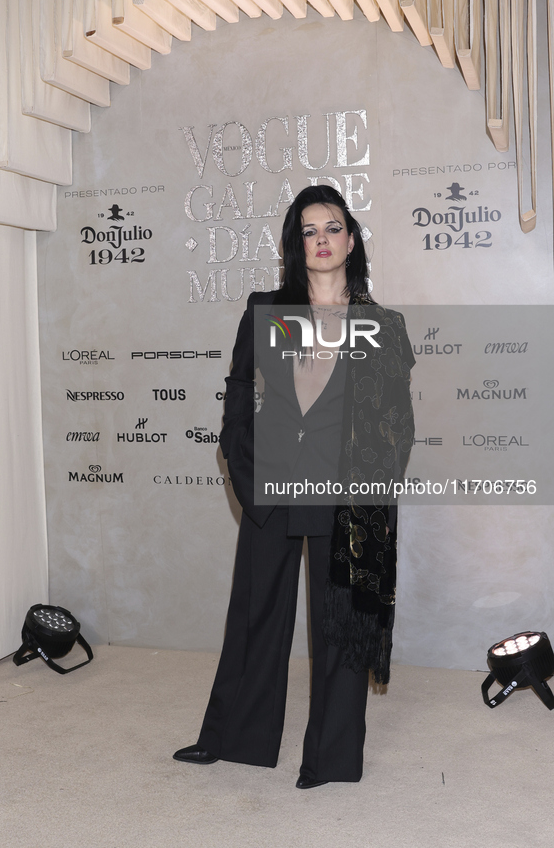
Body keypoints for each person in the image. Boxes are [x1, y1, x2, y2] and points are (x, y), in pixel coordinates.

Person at [173, 186, 415, 788]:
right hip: (272, 484)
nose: (323, 239)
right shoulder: (265, 311)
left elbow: (398, 425)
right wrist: (245, 470)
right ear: (295, 244)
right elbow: (236, 400)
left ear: (352, 240)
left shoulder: (382, 327)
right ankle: (232, 739)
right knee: (255, 616)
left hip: (344, 492)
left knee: (338, 625)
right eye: (309, 230)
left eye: (333, 227)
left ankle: (328, 760)